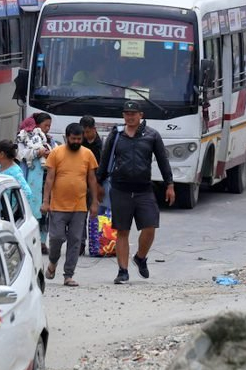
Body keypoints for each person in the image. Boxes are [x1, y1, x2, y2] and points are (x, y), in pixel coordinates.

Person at [98, 101, 174, 285]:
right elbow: (105, 159)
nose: (129, 117)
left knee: (150, 227)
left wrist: (170, 185)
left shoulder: (152, 135)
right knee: (122, 231)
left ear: (141, 115)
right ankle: (122, 271)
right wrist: (98, 184)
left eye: (133, 114)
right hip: (120, 189)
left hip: (144, 189)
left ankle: (140, 257)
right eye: (126, 114)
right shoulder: (116, 135)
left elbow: (163, 161)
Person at [42, 123, 100, 287]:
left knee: (75, 241)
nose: (76, 142)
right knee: (56, 238)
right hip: (57, 206)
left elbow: (92, 180)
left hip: (79, 207)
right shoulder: (56, 153)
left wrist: (94, 202)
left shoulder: (88, 154)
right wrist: (45, 201)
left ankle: (68, 275)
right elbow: (49, 179)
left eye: (79, 139)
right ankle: (53, 262)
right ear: (67, 137)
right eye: (73, 139)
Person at [17, 113, 53, 248]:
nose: (48, 128)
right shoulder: (24, 138)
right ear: (37, 125)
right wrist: (37, 153)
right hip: (30, 179)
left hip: (45, 180)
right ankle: (28, 241)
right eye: (45, 125)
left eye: (49, 126)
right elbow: (20, 154)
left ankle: (42, 242)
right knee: (30, 209)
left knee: (44, 211)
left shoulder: (49, 140)